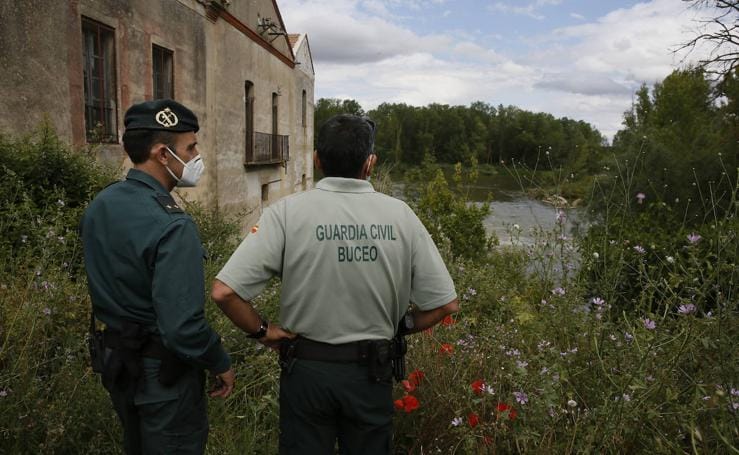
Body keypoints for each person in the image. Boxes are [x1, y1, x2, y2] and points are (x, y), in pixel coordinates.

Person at [212, 114, 459, 454]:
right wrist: (402, 325)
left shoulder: (285, 213)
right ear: (370, 163)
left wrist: (264, 332)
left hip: (306, 372)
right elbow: (446, 304)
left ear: (317, 159)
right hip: (370, 375)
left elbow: (225, 292)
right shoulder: (402, 216)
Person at [80, 99, 235, 455]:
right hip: (163, 378)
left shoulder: (102, 204)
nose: (197, 156)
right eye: (191, 148)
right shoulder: (172, 224)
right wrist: (219, 361)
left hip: (118, 366)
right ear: (163, 154)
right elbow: (182, 326)